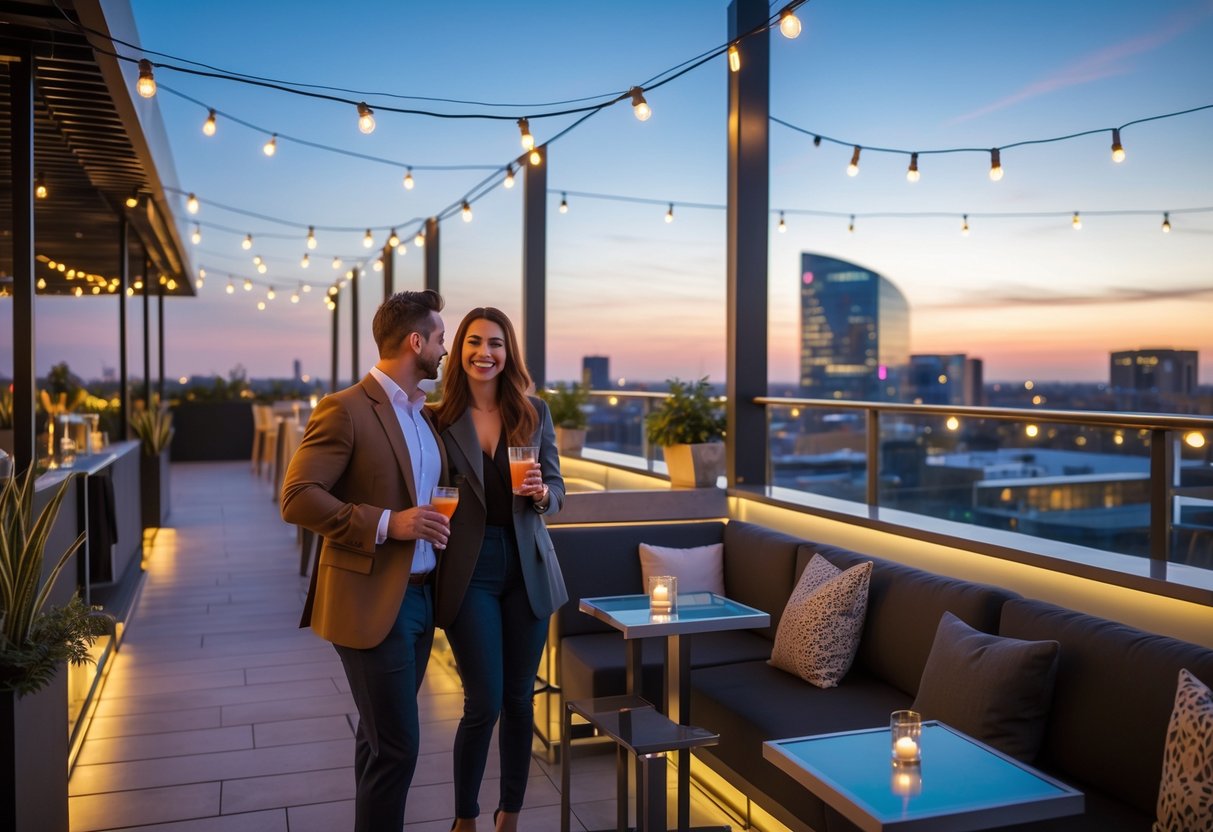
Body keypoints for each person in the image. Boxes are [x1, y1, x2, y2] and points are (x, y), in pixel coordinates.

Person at [281, 289, 450, 832]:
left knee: (379, 742)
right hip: (372, 601)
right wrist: (387, 522)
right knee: (398, 748)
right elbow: (298, 496)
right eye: (441, 339)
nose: (445, 350)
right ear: (415, 341)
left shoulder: (423, 417)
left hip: (421, 598)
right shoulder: (346, 407)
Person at [431, 307, 567, 832]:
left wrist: (540, 494)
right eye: (472, 342)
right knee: (482, 702)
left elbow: (557, 491)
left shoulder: (533, 413)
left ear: (508, 352)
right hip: (470, 569)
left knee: (518, 698)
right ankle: (464, 817)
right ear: (458, 351)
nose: (484, 353)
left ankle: (510, 813)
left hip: (528, 567)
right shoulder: (438, 419)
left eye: (495, 343)